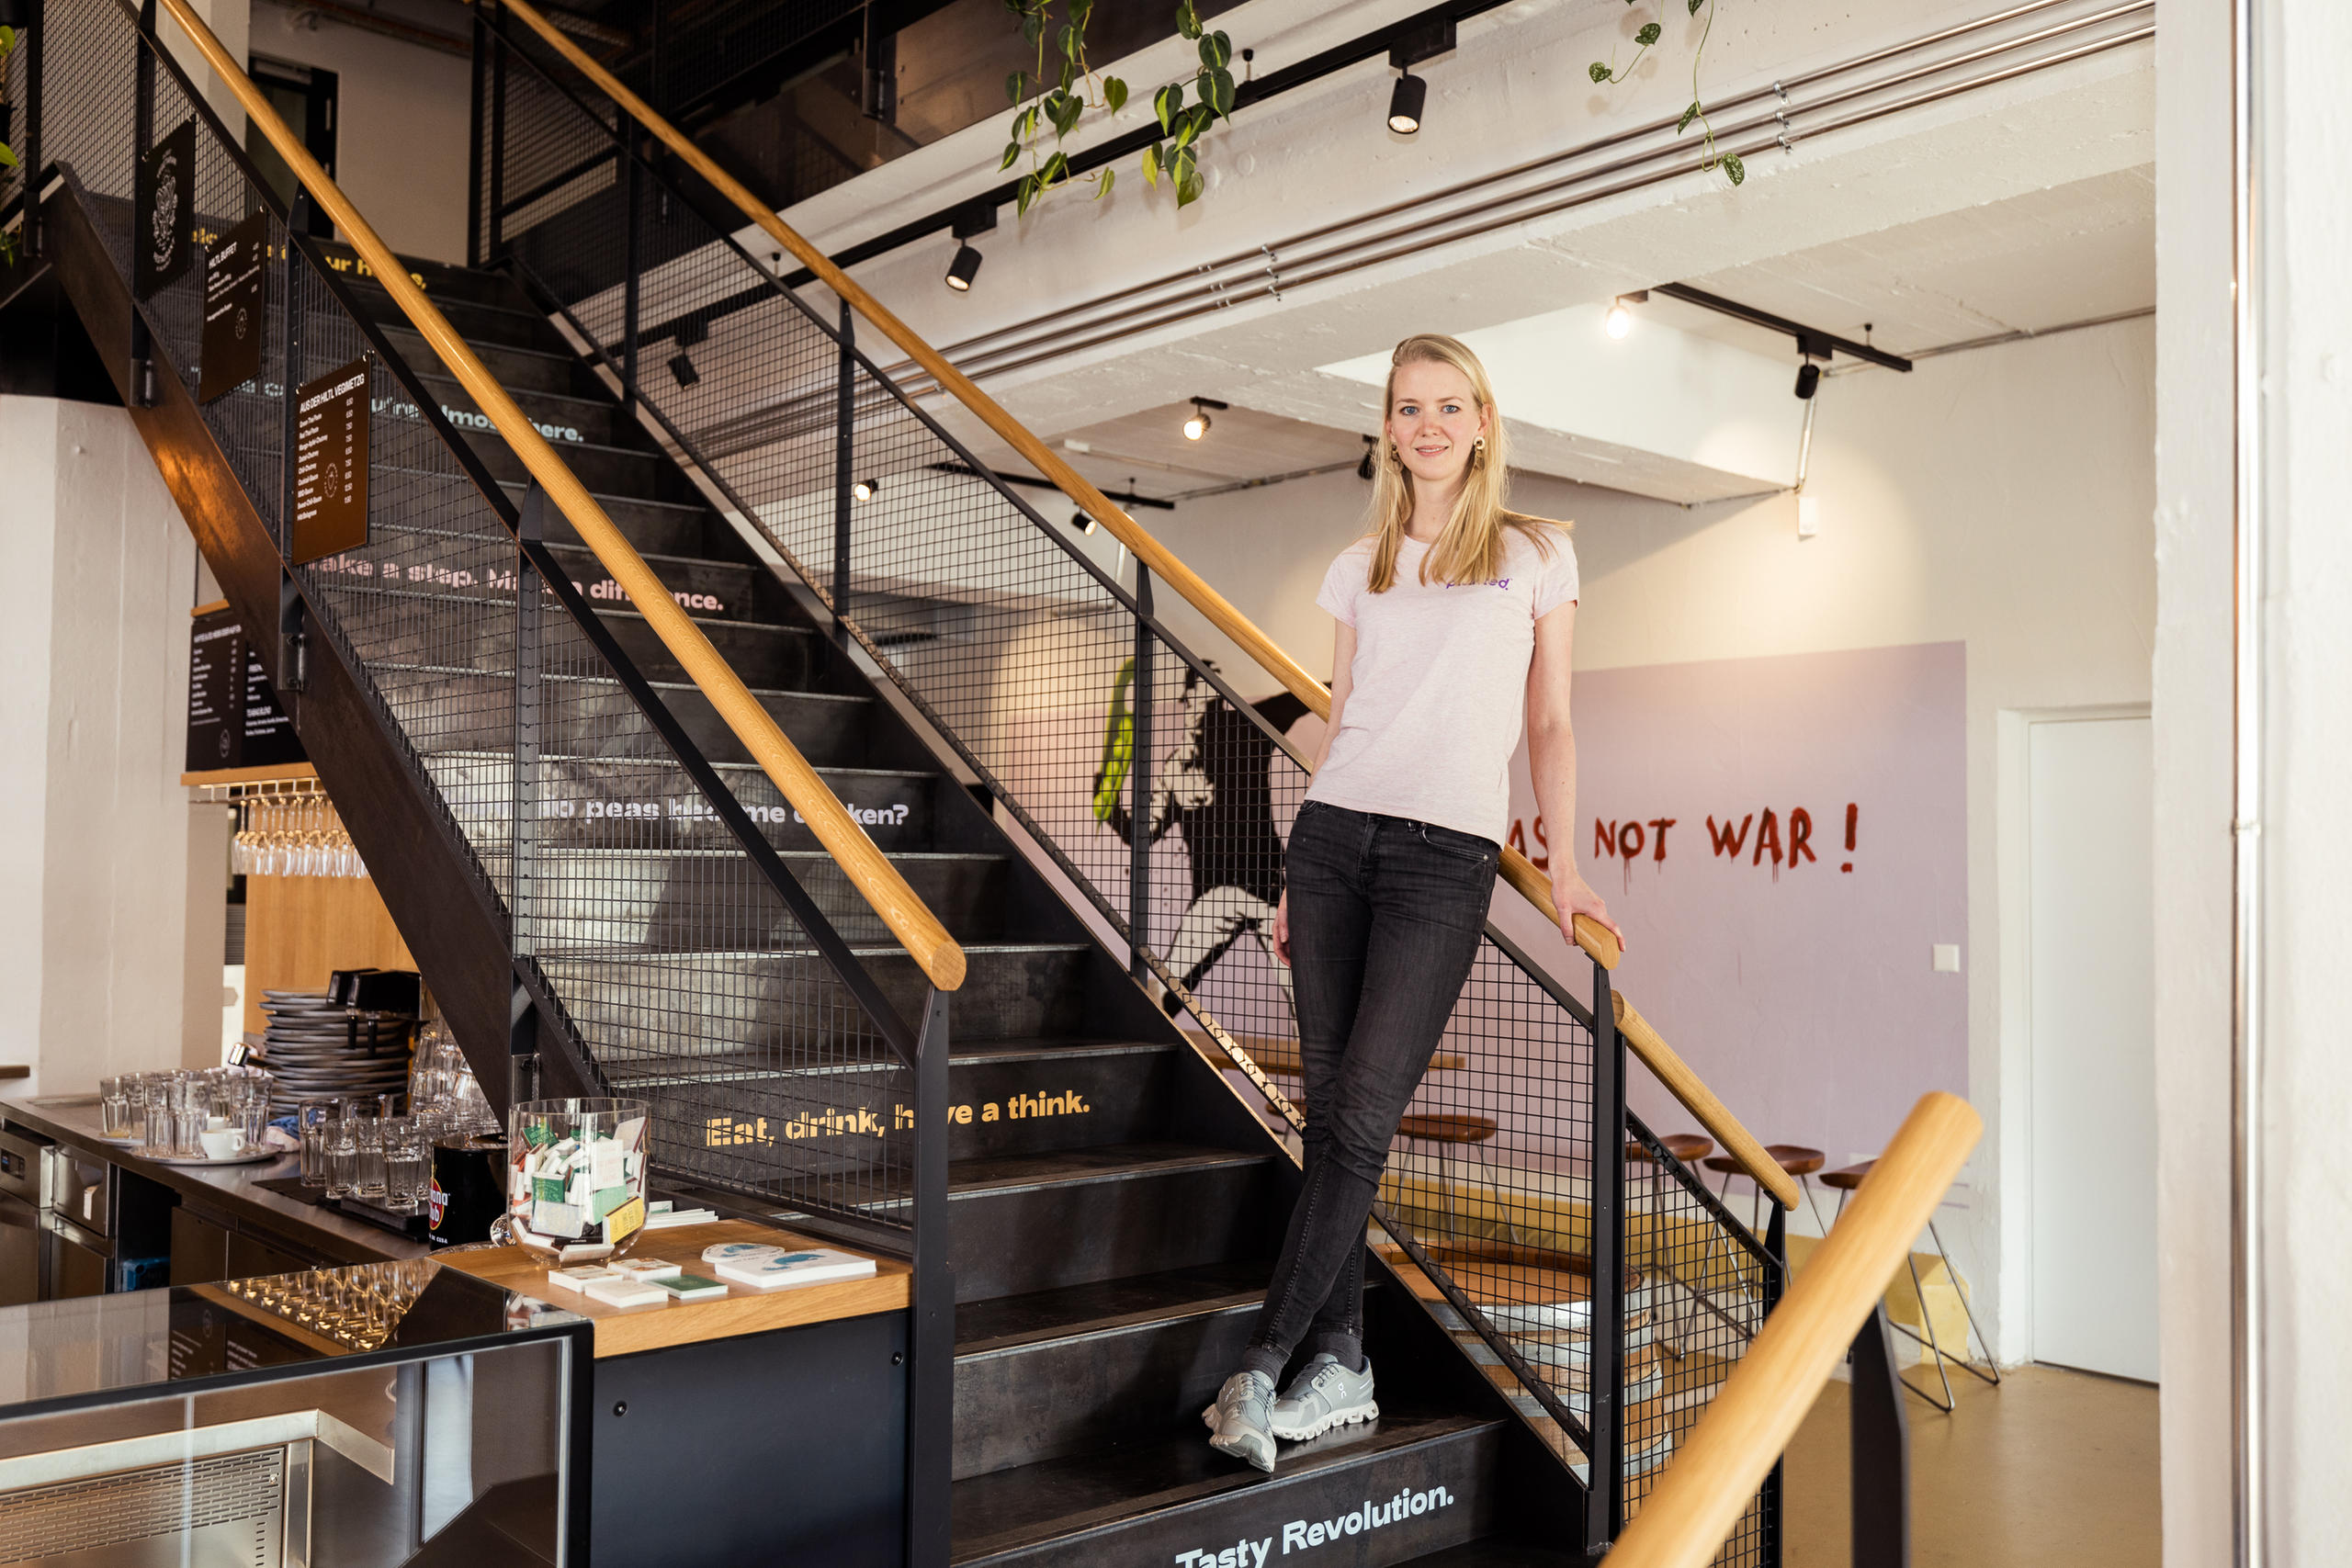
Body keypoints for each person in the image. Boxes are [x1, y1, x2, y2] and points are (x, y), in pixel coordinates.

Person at [1204, 333, 1623, 1472]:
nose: (1428, 426)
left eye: (1449, 406)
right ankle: (1341, 1361)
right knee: (1331, 1111)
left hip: (1446, 857)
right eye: (1408, 408)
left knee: (1358, 1115)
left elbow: (1550, 722)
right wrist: (1295, 869)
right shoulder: (1362, 564)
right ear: (1387, 429)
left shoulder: (1536, 555)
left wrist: (1565, 863)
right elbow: (1343, 723)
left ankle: (1262, 1359)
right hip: (1334, 841)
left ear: (1482, 421)